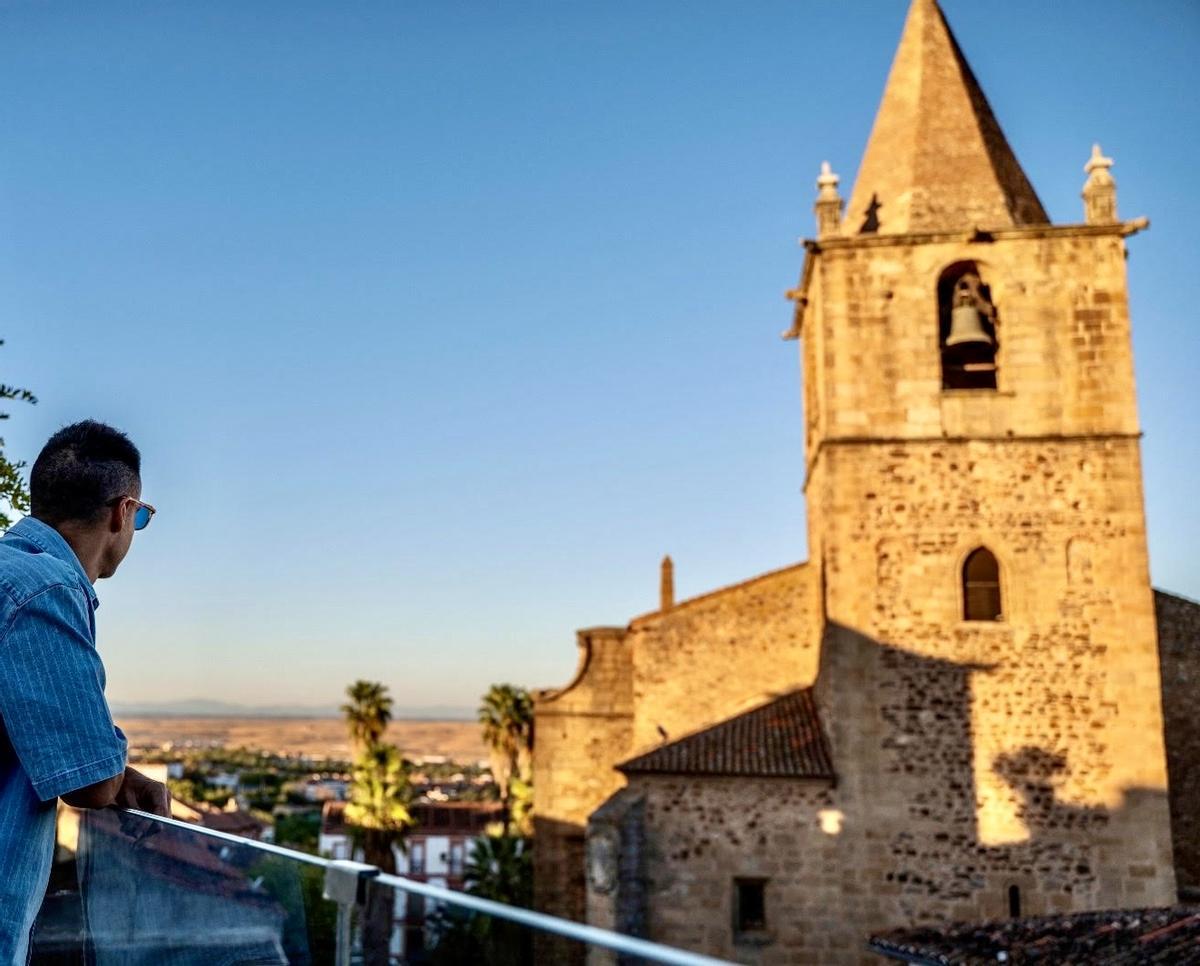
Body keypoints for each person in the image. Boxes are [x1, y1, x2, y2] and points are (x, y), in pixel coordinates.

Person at [0, 420, 170, 964]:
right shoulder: (42, 589)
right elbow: (91, 784)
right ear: (122, 512)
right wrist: (110, 769)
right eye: (142, 517)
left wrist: (116, 774)